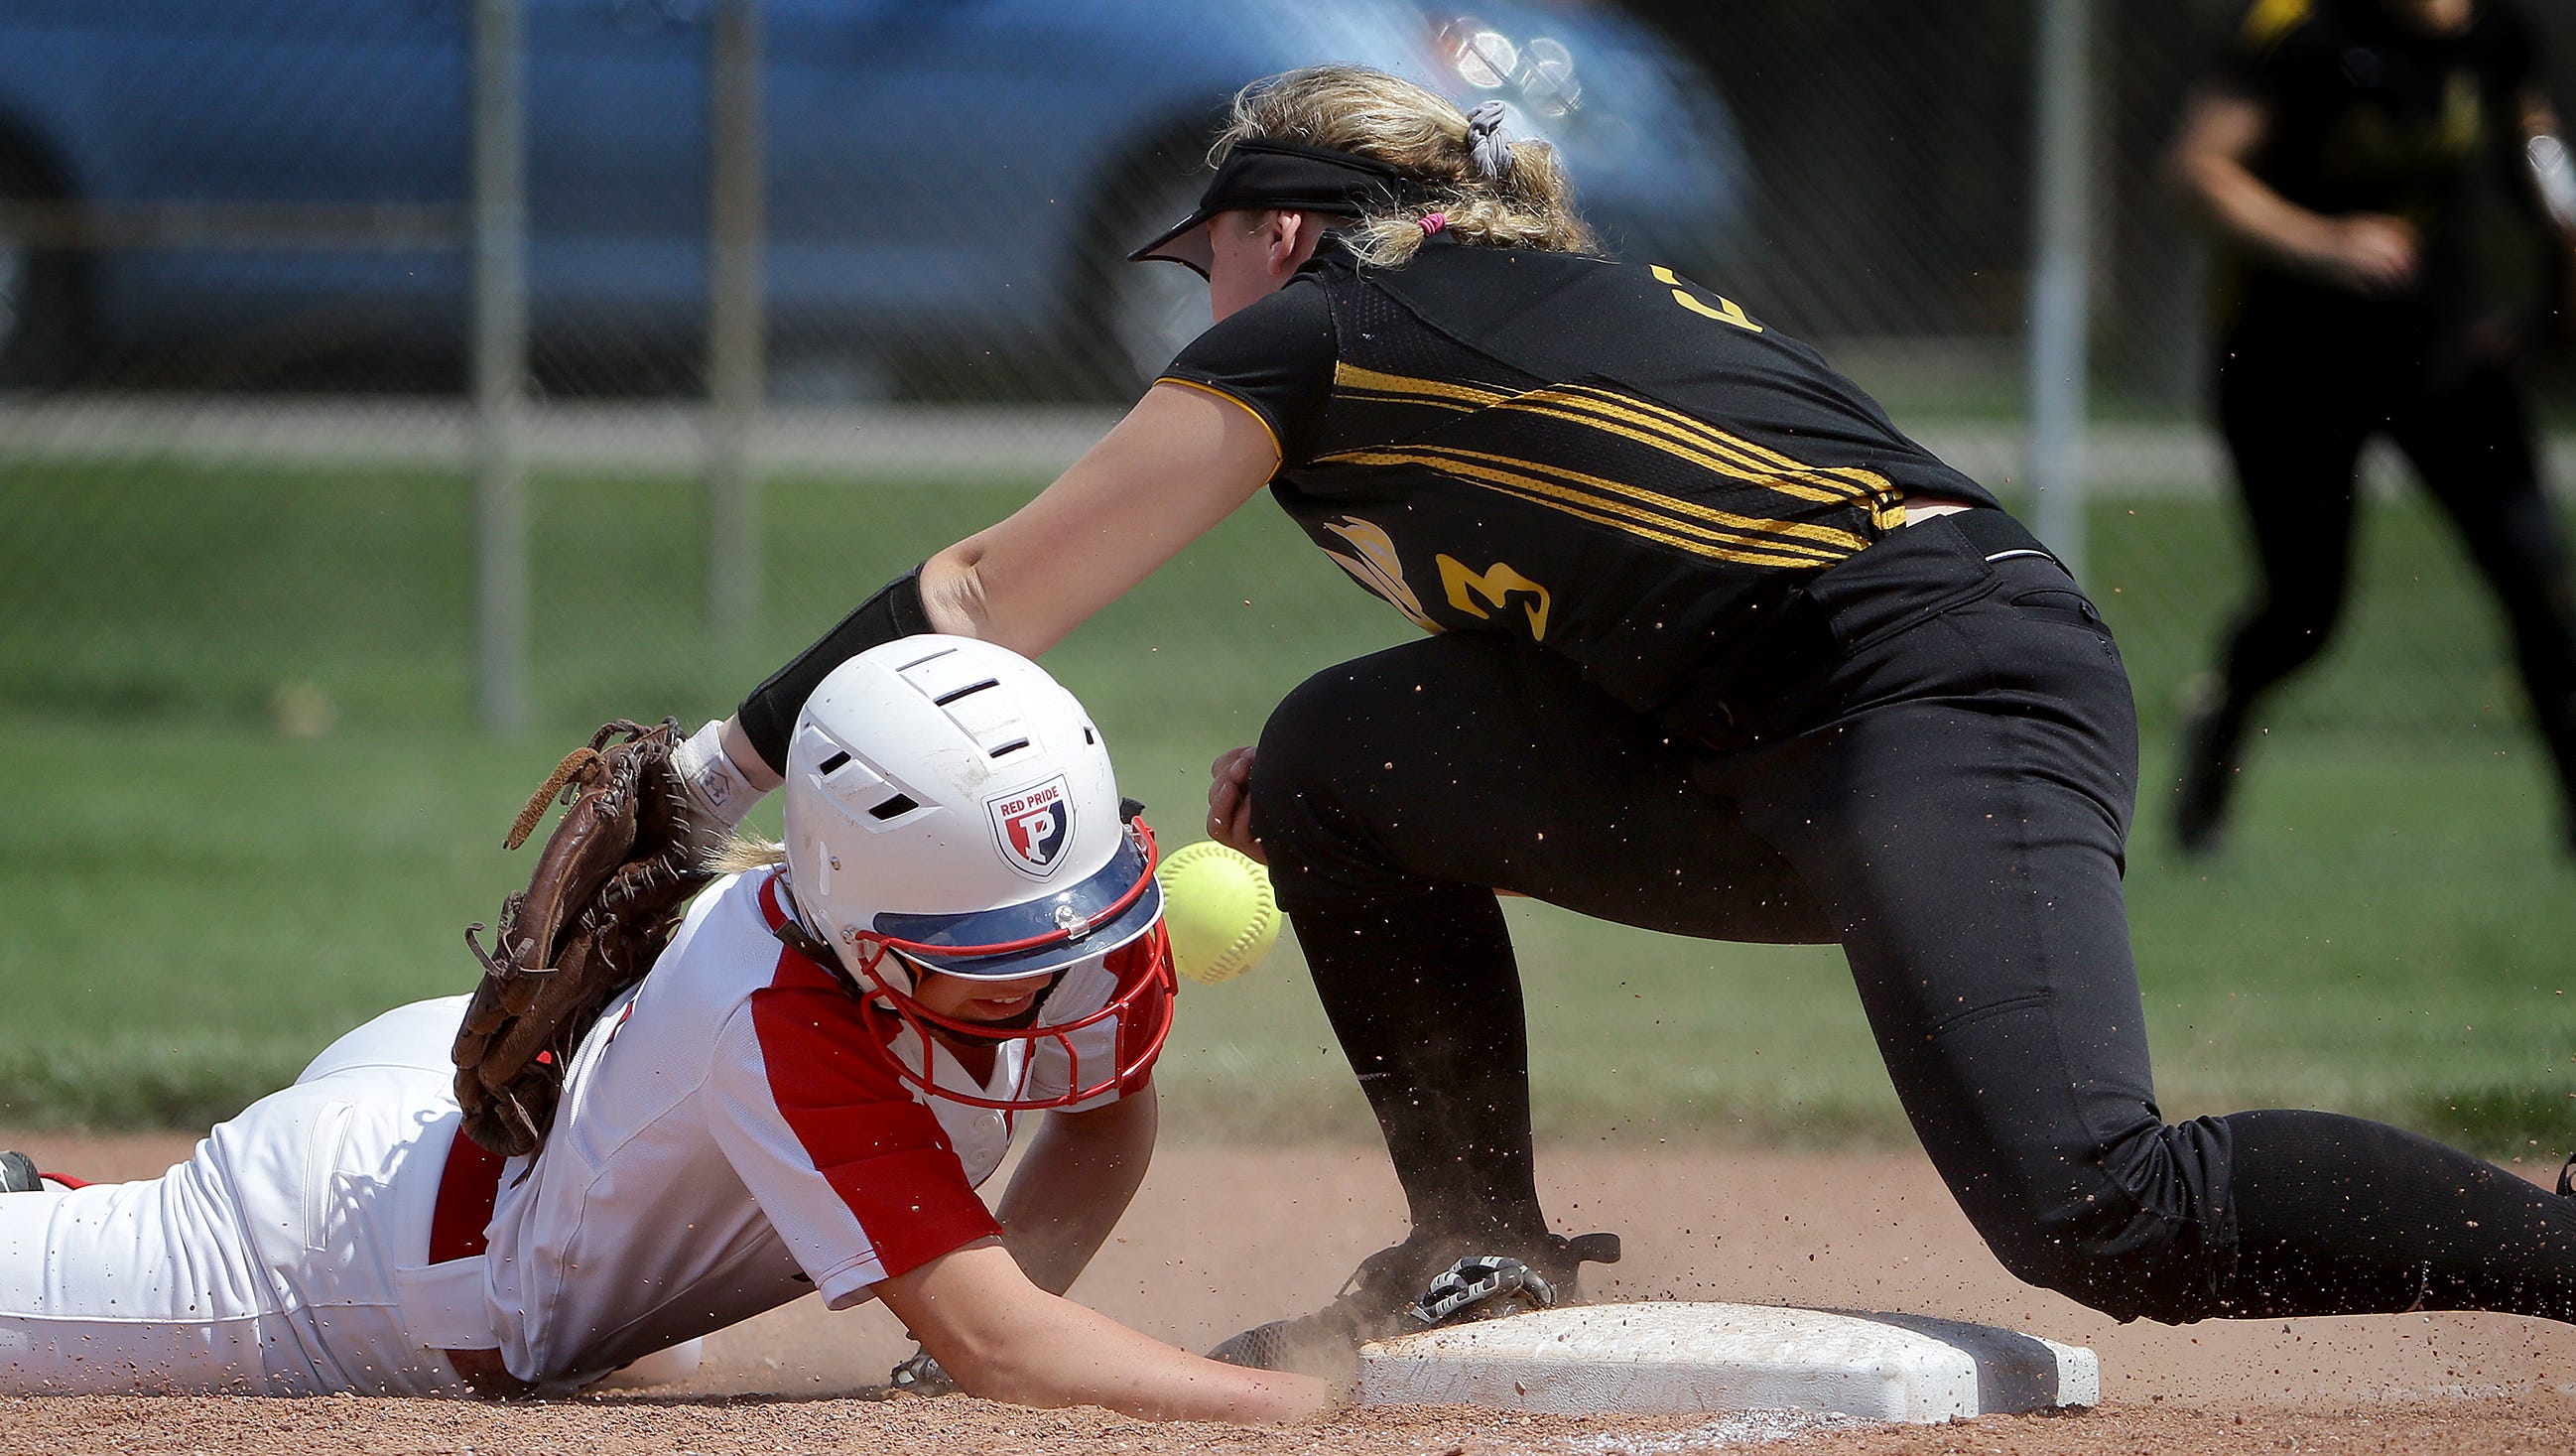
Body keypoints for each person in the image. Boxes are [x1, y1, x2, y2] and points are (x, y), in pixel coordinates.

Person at [666, 64, 2576, 1380]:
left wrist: (708, 777)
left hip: (1941, 692)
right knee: (1343, 757)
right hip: (1757, 732)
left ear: (1293, 225)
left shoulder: (1349, 308)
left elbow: (988, 596)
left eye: (1214, 250)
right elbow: (1637, 597)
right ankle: (1470, 1242)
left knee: (2094, 1204)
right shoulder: (1468, 320)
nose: (1201, 299)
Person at [0, 638, 1334, 1419]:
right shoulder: (780, 1009)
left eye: (1064, 927)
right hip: (337, 1264)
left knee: (647, 1337)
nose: (1049, 973)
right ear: (859, 927)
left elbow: (1103, 1103)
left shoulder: (1061, 904)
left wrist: (954, 1355)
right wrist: (1310, 1411)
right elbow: (1003, 1337)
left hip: (473, 1136)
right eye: (990, 954)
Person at [2166, 0, 2576, 855]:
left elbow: (2539, 169)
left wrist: (2546, 310)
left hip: (2443, 347)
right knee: (2305, 613)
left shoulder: (2498, 32)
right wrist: (2320, 241)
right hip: (2290, 357)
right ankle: (2223, 722)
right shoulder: (2303, 27)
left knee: (2539, 580)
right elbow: (2197, 170)